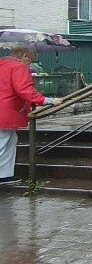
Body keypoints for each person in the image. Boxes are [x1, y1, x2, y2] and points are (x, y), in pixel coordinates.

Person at [0, 47, 63, 185]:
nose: (29, 64)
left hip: (4, 110)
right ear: (24, 56)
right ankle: (3, 175)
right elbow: (24, 89)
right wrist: (47, 100)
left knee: (9, 141)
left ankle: (4, 175)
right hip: (7, 111)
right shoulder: (18, 67)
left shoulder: (3, 64)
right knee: (4, 142)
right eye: (29, 60)